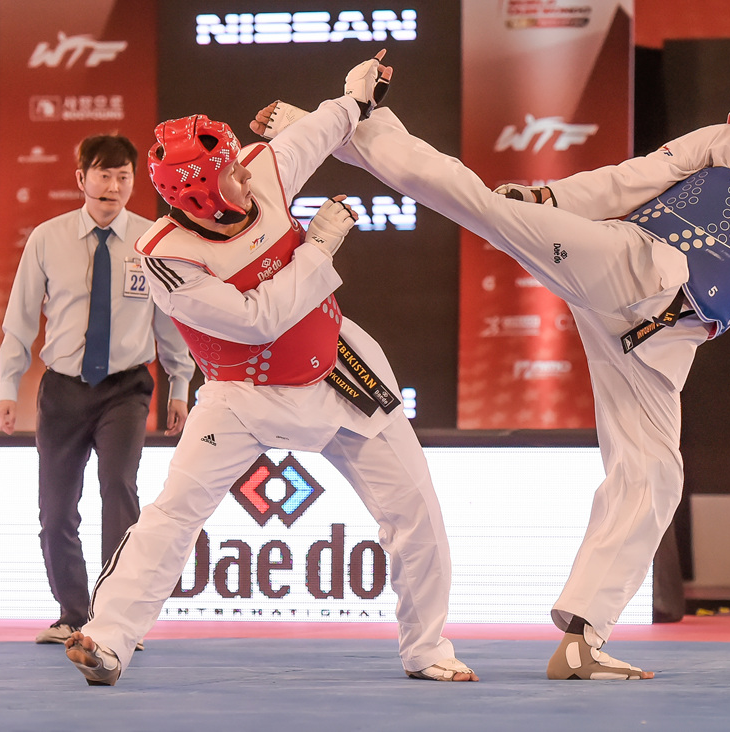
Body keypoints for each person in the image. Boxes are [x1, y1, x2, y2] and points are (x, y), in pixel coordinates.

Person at [266, 51, 730, 680]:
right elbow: (631, 178)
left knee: (655, 475)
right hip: (630, 264)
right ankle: (346, 122)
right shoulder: (727, 141)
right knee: (487, 207)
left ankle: (584, 637)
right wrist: (550, 198)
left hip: (662, 342)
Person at [63, 51, 477, 686]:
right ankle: (108, 640)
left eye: (237, 162)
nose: (245, 174)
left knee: (415, 511)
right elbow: (258, 320)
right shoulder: (166, 257)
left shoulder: (261, 168)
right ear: (198, 194)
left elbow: (324, 127)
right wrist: (320, 246)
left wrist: (357, 93)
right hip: (242, 397)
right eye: (229, 174)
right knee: (173, 514)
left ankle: (426, 648)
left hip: (339, 368)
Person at [0, 134, 194, 646]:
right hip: (62, 390)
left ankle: (116, 619)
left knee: (119, 488)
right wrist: (7, 388)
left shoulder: (152, 241)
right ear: (81, 178)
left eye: (124, 176)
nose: (113, 186)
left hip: (126, 388)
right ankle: (72, 614)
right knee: (56, 508)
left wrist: (180, 385)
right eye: (104, 175)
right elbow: (19, 321)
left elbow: (172, 320)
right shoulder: (47, 238)